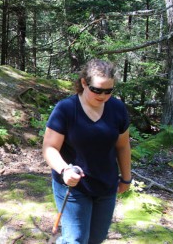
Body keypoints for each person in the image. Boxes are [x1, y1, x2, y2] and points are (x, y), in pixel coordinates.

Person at [42, 59, 132, 244]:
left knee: (96, 239)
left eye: (109, 91)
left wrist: (126, 177)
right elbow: (49, 148)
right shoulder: (66, 109)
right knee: (76, 239)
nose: (103, 95)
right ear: (84, 83)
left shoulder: (117, 109)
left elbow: (122, 146)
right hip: (73, 186)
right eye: (97, 90)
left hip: (105, 185)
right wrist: (64, 170)